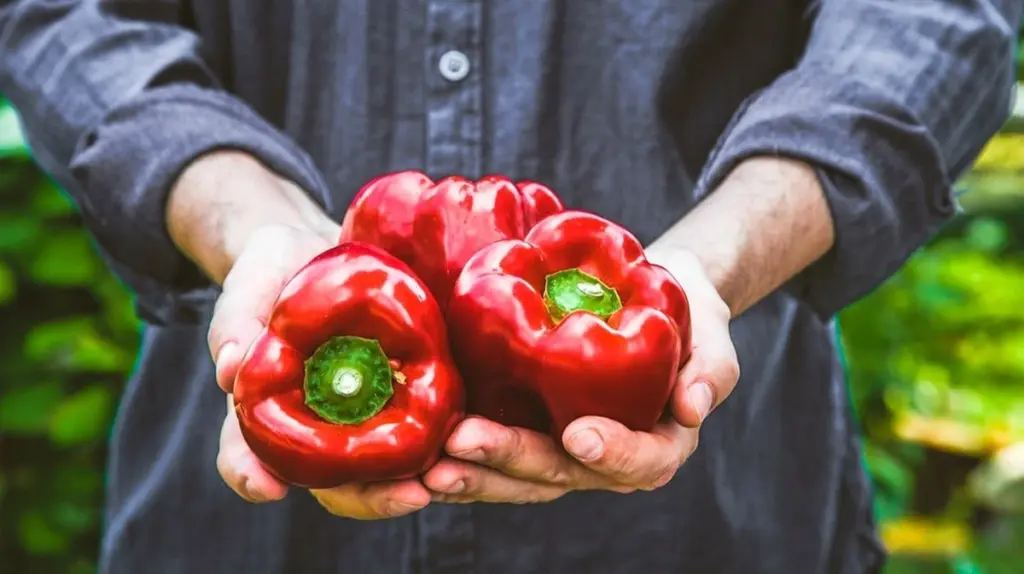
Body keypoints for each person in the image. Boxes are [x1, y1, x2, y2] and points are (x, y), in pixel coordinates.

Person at [1, 1, 1019, 572]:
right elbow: (73, 20)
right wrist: (246, 215)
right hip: (241, 540)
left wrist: (710, 262)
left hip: (714, 525)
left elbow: (928, 20)